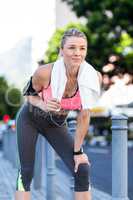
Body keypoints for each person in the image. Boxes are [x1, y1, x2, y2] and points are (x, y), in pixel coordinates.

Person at [15, 28, 101, 200]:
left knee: (82, 168)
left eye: (82, 48)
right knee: (27, 171)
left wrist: (78, 153)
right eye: (72, 48)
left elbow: (84, 115)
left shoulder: (93, 77)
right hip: (30, 119)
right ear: (62, 50)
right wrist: (43, 104)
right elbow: (29, 95)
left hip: (56, 124)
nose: (77, 53)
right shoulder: (45, 73)